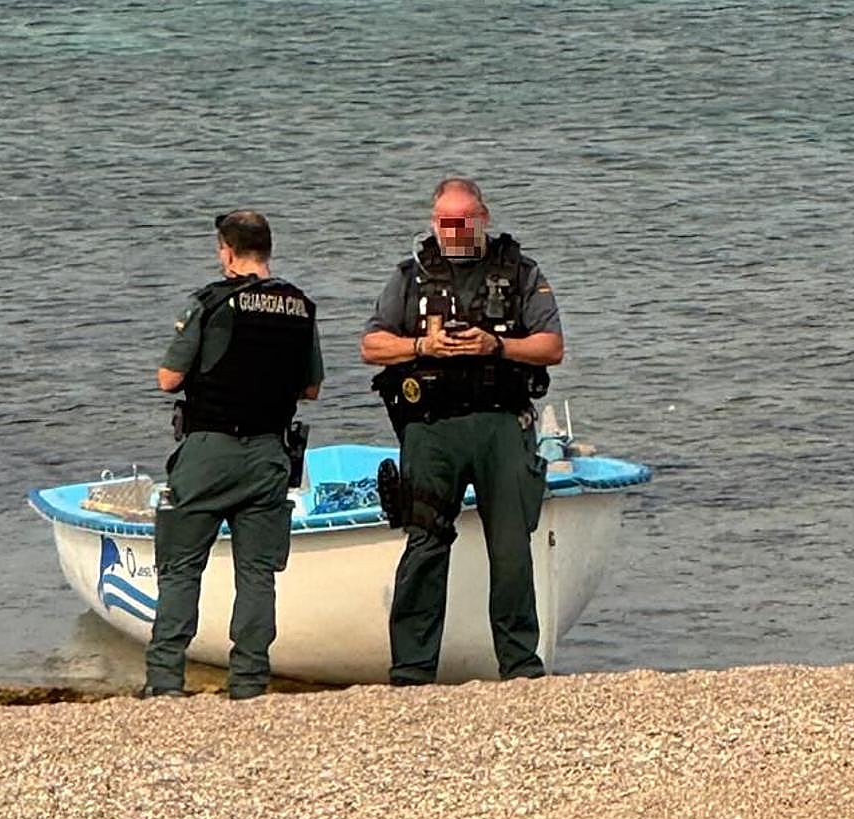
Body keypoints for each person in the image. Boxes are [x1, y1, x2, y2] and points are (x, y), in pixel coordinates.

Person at [360, 177, 564, 685]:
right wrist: (422, 348)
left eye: (464, 221)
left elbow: (551, 346)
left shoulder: (520, 273)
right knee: (425, 544)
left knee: (512, 547)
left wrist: (494, 347)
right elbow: (371, 345)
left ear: (483, 218)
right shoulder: (411, 276)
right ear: (433, 222)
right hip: (432, 429)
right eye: (445, 223)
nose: (454, 231)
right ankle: (411, 669)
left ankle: (520, 665)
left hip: (501, 423)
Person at [142, 210, 324, 700]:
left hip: (208, 450)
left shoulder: (210, 303)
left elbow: (168, 380)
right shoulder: (300, 307)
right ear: (267, 249)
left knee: (181, 568)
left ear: (226, 250)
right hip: (268, 451)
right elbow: (310, 387)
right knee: (257, 573)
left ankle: (164, 682)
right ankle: (248, 680)